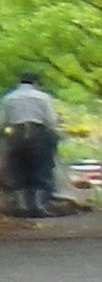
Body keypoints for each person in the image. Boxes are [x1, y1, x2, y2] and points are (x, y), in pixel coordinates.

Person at [1, 74, 58, 218]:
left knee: (18, 169)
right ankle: (40, 205)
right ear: (36, 83)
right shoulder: (43, 97)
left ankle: (22, 205)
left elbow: (3, 121)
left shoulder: (8, 98)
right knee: (41, 168)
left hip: (16, 134)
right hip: (38, 133)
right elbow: (51, 120)